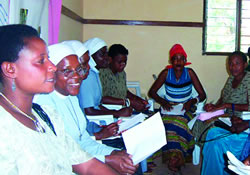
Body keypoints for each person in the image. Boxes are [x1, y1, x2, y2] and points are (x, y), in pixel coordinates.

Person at [0, 24, 117, 174]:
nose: (52, 67)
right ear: (10, 69)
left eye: (49, 58)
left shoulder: (47, 116)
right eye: (41, 61)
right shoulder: (4, 126)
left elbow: (87, 165)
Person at [35, 42, 137, 175]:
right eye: (67, 71)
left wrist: (113, 153)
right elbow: (59, 156)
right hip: (63, 169)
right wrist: (107, 160)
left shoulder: (71, 97)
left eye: (79, 69)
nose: (77, 76)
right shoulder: (43, 104)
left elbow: (83, 140)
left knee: (129, 163)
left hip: (84, 161)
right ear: (51, 72)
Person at [148, 44, 206, 171]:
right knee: (159, 123)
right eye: (175, 58)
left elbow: (202, 95)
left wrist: (192, 101)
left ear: (185, 61)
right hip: (169, 108)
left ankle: (176, 157)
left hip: (186, 109)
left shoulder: (190, 73)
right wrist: (162, 101)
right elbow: (152, 92)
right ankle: (175, 157)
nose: (178, 61)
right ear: (171, 61)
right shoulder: (165, 74)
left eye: (181, 58)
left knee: (176, 123)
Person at [201, 51, 250, 175]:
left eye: (237, 64)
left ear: (245, 64)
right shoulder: (231, 79)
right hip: (227, 116)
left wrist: (228, 105)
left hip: (242, 119)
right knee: (209, 131)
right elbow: (223, 98)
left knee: (216, 142)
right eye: (231, 64)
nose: (233, 67)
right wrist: (214, 107)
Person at [61, 40, 120, 140]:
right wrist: (100, 134)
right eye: (84, 64)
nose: (88, 67)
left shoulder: (72, 97)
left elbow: (84, 125)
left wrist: (101, 129)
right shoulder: (51, 101)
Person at [77, 38, 132, 118]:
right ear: (90, 56)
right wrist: (117, 113)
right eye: (102, 55)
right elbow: (88, 111)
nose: (107, 57)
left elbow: (98, 105)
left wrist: (116, 112)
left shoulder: (95, 73)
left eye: (106, 54)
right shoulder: (87, 76)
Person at [99, 44, 149, 112]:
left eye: (125, 62)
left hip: (122, 110)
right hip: (108, 111)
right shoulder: (101, 73)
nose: (123, 65)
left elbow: (125, 92)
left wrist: (139, 100)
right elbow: (101, 98)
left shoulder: (122, 73)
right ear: (110, 59)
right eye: (119, 62)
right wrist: (128, 102)